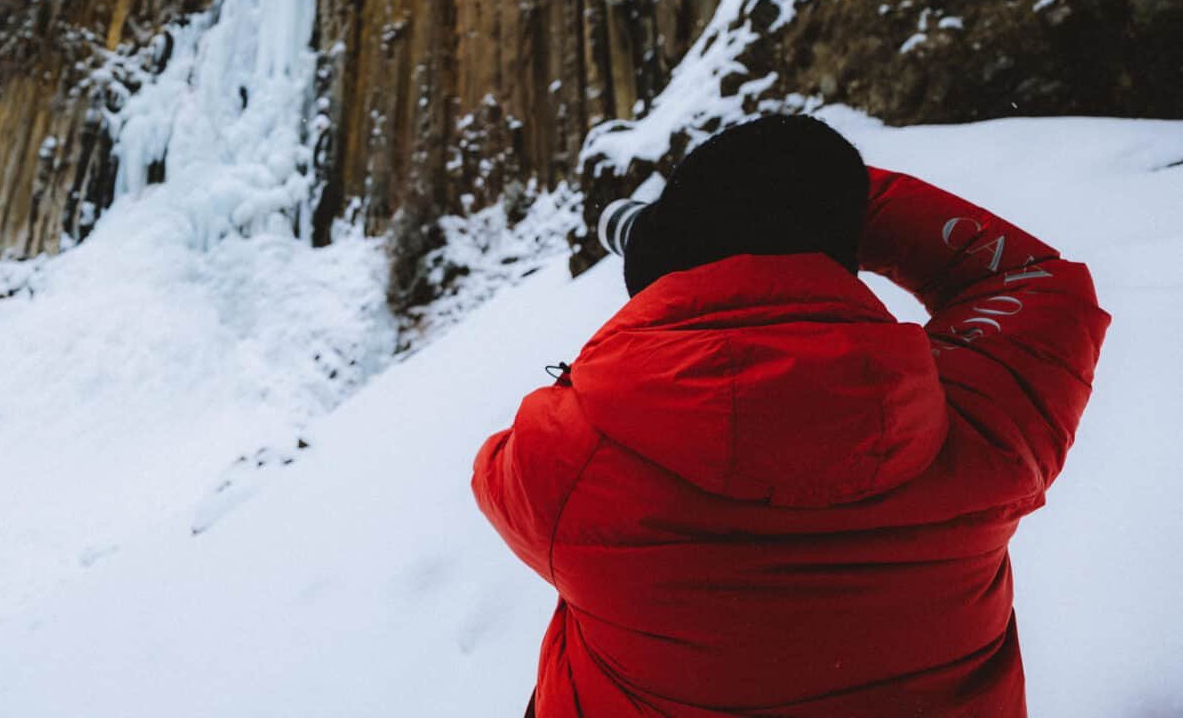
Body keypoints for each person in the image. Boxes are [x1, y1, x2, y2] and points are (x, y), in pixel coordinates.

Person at [471, 114, 1110, 717]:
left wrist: (671, 255)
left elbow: (493, 472)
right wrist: (833, 203)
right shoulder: (981, 425)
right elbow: (1034, 282)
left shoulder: (564, 461)